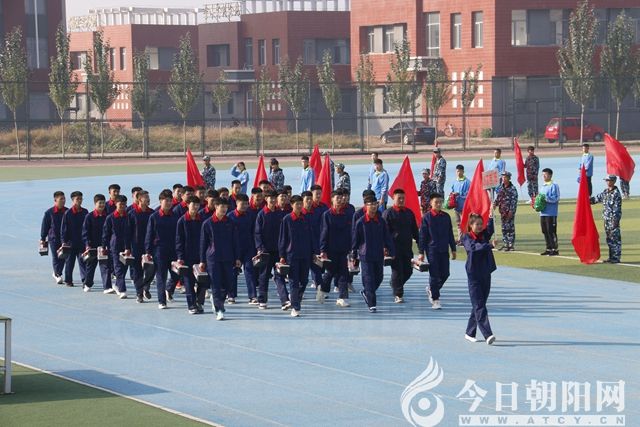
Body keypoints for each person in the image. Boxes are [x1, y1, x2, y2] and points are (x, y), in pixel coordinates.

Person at [351, 196, 395, 313]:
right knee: (369, 278)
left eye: (375, 204)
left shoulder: (381, 221)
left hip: (378, 254)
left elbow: (387, 237)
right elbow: (355, 240)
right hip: (365, 254)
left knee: (379, 277)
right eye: (371, 204)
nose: (374, 206)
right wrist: (354, 255)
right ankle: (372, 304)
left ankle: (367, 292)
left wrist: (391, 250)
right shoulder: (360, 222)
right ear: (366, 206)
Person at [199, 198, 241, 321]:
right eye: (222, 207)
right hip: (213, 258)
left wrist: (237, 257)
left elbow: (235, 241)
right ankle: (219, 309)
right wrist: (202, 260)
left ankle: (216, 299)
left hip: (228, 257)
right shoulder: (208, 223)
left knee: (228, 284)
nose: (224, 209)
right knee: (216, 284)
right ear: (216, 207)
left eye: (226, 207)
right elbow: (203, 243)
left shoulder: (230, 223)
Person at [461, 213, 497, 345]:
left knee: (479, 305)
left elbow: (490, 229)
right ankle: (488, 334)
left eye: (481, 224)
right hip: (474, 276)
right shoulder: (466, 237)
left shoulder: (484, 235)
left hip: (486, 273)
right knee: (479, 305)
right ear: (471, 225)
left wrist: (491, 216)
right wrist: (489, 245)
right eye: (477, 224)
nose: (480, 226)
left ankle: (469, 332)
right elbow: (473, 248)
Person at [279, 195, 317, 317]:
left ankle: (295, 297)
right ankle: (295, 307)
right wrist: (282, 255)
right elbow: (283, 238)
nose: (300, 206)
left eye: (301, 204)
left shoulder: (306, 219)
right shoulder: (287, 219)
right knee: (293, 281)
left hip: (305, 254)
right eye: (297, 204)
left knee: (304, 281)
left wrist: (314, 252)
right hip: (292, 255)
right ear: (292, 205)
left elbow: (312, 237)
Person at [418, 193, 456, 310]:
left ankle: (432, 289)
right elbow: (422, 236)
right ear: (431, 203)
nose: (439, 204)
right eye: (436, 202)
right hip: (432, 250)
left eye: (440, 202)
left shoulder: (446, 217)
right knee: (434, 275)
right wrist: (421, 252)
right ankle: (435, 299)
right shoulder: (426, 217)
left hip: (444, 249)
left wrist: (453, 249)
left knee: (445, 274)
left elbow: (450, 233)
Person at [254, 190, 290, 310]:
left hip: (278, 251)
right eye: (271, 198)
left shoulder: (280, 214)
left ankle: (285, 300)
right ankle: (262, 300)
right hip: (265, 251)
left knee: (280, 275)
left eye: (275, 198)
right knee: (264, 276)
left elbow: (284, 233)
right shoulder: (261, 214)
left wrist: (284, 250)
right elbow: (257, 233)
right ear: (266, 199)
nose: (273, 200)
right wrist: (260, 248)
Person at [382, 189, 419, 303]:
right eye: (399, 198)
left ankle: (394, 284)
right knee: (397, 271)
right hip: (393, 248)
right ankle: (398, 295)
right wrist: (385, 247)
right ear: (394, 198)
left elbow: (415, 230)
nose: (401, 200)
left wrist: (420, 245)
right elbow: (383, 232)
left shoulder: (409, 213)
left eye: (403, 198)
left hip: (407, 247)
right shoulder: (388, 213)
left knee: (408, 271)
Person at [145, 190, 180, 309]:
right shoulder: (154, 217)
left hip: (173, 250)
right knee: (161, 276)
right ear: (160, 201)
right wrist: (148, 251)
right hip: (159, 250)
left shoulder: (175, 217)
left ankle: (169, 289)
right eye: (166, 201)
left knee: (177, 274)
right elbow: (149, 235)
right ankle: (162, 301)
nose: (169, 203)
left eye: (170, 201)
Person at [318, 190, 352, 307]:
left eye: (341, 198)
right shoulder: (327, 215)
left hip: (343, 249)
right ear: (332, 199)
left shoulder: (346, 215)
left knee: (343, 273)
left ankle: (342, 297)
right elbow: (324, 233)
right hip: (331, 249)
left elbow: (349, 232)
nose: (340, 200)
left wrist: (351, 248)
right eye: (337, 198)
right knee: (330, 272)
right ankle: (322, 289)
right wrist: (323, 250)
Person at [176, 195, 205, 314]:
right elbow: (179, 240)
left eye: (198, 205)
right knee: (189, 282)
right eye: (193, 204)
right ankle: (191, 305)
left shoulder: (202, 220)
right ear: (188, 205)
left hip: (200, 256)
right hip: (187, 256)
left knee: (203, 281)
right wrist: (180, 257)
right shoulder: (182, 221)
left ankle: (199, 302)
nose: (196, 207)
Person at [228, 193, 258, 305]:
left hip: (248, 247)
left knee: (250, 271)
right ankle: (231, 295)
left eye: (246, 204)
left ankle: (253, 296)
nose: (245, 206)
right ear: (237, 203)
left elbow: (254, 232)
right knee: (233, 272)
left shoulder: (250, 215)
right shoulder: (230, 216)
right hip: (234, 248)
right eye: (242, 203)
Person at [102, 195, 131, 299]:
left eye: (124, 204)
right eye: (120, 204)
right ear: (115, 204)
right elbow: (106, 233)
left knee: (124, 267)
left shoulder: (129, 217)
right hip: (115, 246)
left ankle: (118, 284)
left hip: (127, 246)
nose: (122, 206)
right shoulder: (110, 218)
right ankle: (122, 290)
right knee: (118, 268)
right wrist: (104, 246)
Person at [81, 194, 113, 293]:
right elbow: (85, 232)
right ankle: (87, 284)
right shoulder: (89, 217)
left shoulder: (108, 216)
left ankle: (107, 287)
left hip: (104, 246)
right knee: (91, 266)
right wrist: (87, 244)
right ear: (95, 203)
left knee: (105, 267)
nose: (102, 205)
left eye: (103, 203)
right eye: (100, 203)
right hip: (92, 246)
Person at [129, 190, 154, 302]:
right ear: (139, 199)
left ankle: (146, 287)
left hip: (150, 246)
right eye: (146, 197)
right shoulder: (132, 214)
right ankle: (139, 293)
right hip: (136, 246)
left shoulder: (152, 213)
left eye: (148, 197)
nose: (148, 199)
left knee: (151, 269)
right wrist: (127, 247)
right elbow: (128, 232)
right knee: (137, 270)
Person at [591, 175, 623, 263]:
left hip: (613, 220)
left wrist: (615, 221)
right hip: (606, 219)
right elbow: (596, 199)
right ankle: (611, 256)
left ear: (613, 181)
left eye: (609, 180)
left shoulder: (616, 193)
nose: (607, 182)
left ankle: (616, 257)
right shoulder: (605, 192)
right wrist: (586, 199)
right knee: (609, 238)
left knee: (615, 239)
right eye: (606, 180)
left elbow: (617, 209)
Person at [60, 191, 88, 287]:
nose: (79, 201)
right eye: (77, 199)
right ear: (73, 200)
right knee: (69, 262)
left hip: (82, 242)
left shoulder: (85, 212)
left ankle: (85, 280)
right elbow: (63, 229)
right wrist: (64, 242)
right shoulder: (68, 213)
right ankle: (68, 280)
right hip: (70, 243)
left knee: (83, 262)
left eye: (81, 199)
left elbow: (88, 227)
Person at [41, 191, 67, 285]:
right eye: (61, 199)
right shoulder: (49, 213)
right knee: (56, 256)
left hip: (65, 239)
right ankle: (57, 274)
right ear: (55, 200)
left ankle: (57, 272)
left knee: (63, 256)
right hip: (53, 238)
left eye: (64, 199)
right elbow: (45, 226)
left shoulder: (67, 211)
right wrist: (43, 238)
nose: (63, 201)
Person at [303, 189, 328, 290]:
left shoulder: (318, 211)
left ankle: (320, 291)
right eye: (307, 199)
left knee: (317, 268)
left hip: (315, 244)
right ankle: (298, 293)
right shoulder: (299, 214)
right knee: (302, 274)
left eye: (320, 194)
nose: (309, 201)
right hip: (302, 247)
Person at [493, 171, 518, 251]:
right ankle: (505, 243)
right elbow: (498, 198)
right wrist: (494, 204)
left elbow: (514, 201)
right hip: (502, 211)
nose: (503, 178)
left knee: (510, 228)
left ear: (509, 178)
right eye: (503, 177)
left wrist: (511, 211)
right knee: (504, 228)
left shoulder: (512, 189)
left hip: (509, 211)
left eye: (505, 177)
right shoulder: (501, 187)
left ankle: (511, 244)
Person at [538, 168, 560, 256]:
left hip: (551, 213)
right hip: (543, 212)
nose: (544, 176)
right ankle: (548, 248)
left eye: (545, 174)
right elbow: (540, 198)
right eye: (543, 174)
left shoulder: (554, 185)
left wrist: (546, 198)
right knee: (545, 231)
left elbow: (556, 198)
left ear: (550, 175)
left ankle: (555, 249)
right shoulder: (542, 186)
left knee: (551, 231)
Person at [449, 165, 470, 242]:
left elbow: (469, 195)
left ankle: (466, 239)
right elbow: (452, 191)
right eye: (457, 171)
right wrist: (452, 195)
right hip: (456, 207)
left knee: (464, 223)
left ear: (463, 171)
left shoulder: (467, 182)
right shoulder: (455, 181)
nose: (458, 173)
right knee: (458, 224)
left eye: (460, 171)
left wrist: (459, 195)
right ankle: (460, 239)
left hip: (464, 207)